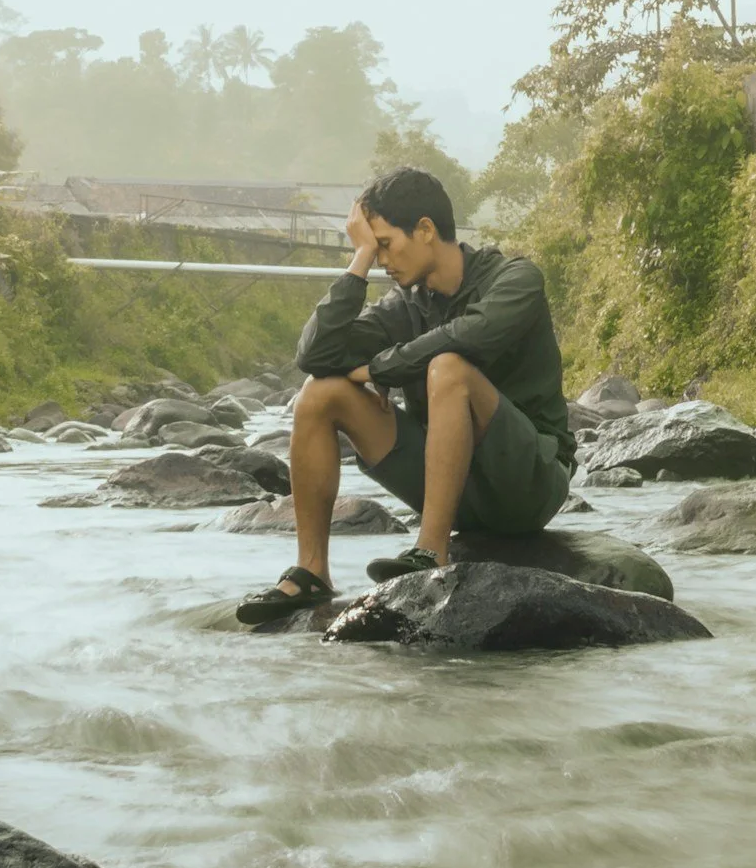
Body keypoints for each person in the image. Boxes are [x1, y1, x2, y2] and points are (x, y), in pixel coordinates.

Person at [236, 165, 574, 623]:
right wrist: (356, 260)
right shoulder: (405, 305)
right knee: (319, 393)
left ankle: (430, 552)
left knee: (449, 367)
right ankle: (312, 571)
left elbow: (468, 336)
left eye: (385, 245)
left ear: (426, 230)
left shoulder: (516, 279)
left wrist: (381, 367)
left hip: (526, 484)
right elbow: (315, 353)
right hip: (456, 489)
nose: (381, 261)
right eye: (373, 250)